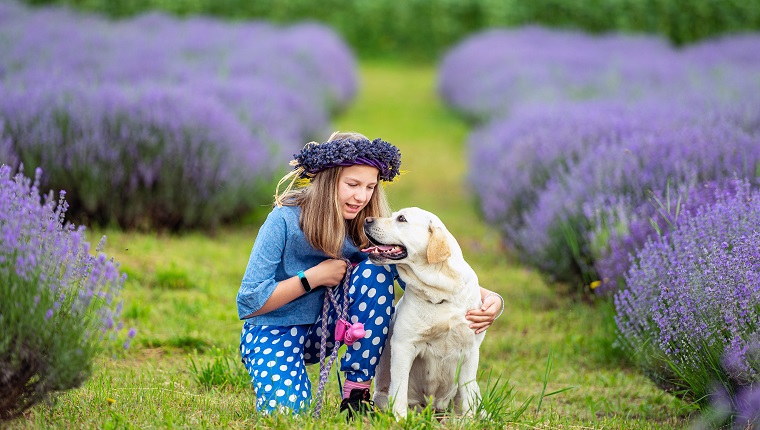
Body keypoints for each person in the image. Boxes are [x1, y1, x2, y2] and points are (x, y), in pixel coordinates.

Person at [236, 131, 504, 418]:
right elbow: (250, 301)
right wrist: (312, 277)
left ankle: (356, 394)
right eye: (352, 184)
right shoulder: (284, 219)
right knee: (286, 413)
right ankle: (282, 379)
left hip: (327, 329)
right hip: (274, 330)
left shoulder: (364, 228)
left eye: (369, 187)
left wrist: (490, 299)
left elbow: (422, 277)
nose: (361, 196)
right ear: (328, 182)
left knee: (375, 273)